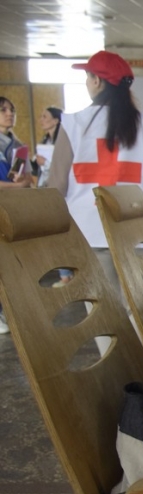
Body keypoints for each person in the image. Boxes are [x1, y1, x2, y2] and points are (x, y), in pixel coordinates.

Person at [47, 50, 143, 292]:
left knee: (103, 314)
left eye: (87, 76)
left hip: (88, 232)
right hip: (142, 232)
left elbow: (56, 187)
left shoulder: (73, 124)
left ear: (96, 81)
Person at [0, 95, 32, 335]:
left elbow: (26, 177)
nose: (9, 114)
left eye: (11, 110)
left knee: (11, 263)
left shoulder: (18, 146)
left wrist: (23, 183)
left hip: (12, 209)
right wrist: (18, 187)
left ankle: (9, 311)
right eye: (3, 110)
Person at [33, 106, 63, 188]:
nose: (41, 120)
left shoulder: (63, 143)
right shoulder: (44, 142)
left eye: (45, 117)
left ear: (55, 121)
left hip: (57, 185)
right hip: (43, 184)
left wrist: (45, 163)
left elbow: (63, 167)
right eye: (41, 116)